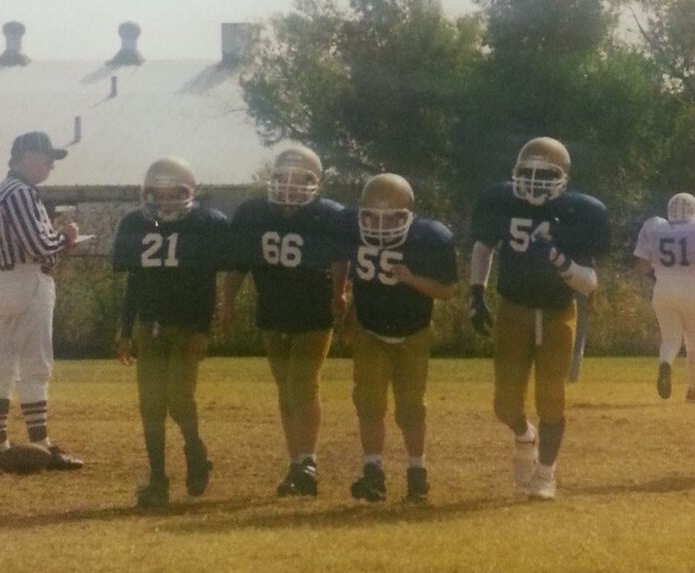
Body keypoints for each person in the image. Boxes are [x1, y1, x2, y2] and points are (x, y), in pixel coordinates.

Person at [469, 137, 610, 500]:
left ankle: (546, 472)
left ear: (562, 177)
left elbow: (590, 281)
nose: (533, 181)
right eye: (526, 172)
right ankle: (523, 435)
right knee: (504, 405)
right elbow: (484, 246)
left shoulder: (578, 212)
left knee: (551, 397)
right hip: (513, 308)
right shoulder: (501, 201)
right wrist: (476, 293)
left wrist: (560, 261)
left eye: (544, 174)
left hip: (556, 310)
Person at [221, 146, 347, 497]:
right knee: (285, 390)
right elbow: (239, 264)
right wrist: (226, 301)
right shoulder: (253, 213)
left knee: (302, 385)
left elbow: (340, 260)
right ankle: (296, 463)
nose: (289, 186)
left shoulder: (329, 216)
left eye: (299, 180)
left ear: (315, 183)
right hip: (272, 310)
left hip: (313, 312)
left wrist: (339, 293)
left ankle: (307, 461)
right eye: (282, 179)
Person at [114, 157, 229, 510]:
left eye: (172, 192)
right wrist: (124, 329)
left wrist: (203, 330)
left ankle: (195, 451)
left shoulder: (207, 224)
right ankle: (157, 480)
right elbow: (134, 281)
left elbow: (209, 282)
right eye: (158, 192)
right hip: (148, 327)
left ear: (187, 192)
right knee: (150, 406)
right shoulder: (135, 224)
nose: (164, 199)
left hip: (185, 328)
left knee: (179, 399)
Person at [344, 173, 457, 503]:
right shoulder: (352, 231)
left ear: (408, 213)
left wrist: (412, 280)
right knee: (369, 404)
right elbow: (356, 278)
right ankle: (373, 472)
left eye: (392, 215)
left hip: (413, 332)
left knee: (411, 408)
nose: (381, 223)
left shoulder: (429, 237)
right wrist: (349, 312)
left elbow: (447, 290)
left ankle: (417, 472)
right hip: (370, 329)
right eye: (373, 215)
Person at [0, 131, 83, 471]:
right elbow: (39, 247)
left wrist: (55, 238)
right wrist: (66, 237)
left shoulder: (7, 190)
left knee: (6, 360)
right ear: (27, 156)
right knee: (35, 363)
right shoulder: (21, 192)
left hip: (7, 278)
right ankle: (40, 442)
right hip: (29, 278)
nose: (49, 166)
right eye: (46, 159)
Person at [633, 193, 695, 402]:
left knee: (670, 338)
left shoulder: (656, 226)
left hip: (664, 288)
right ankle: (693, 390)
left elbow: (642, 265)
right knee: (694, 340)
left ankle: (665, 364)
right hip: (693, 288)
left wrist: (660, 278)